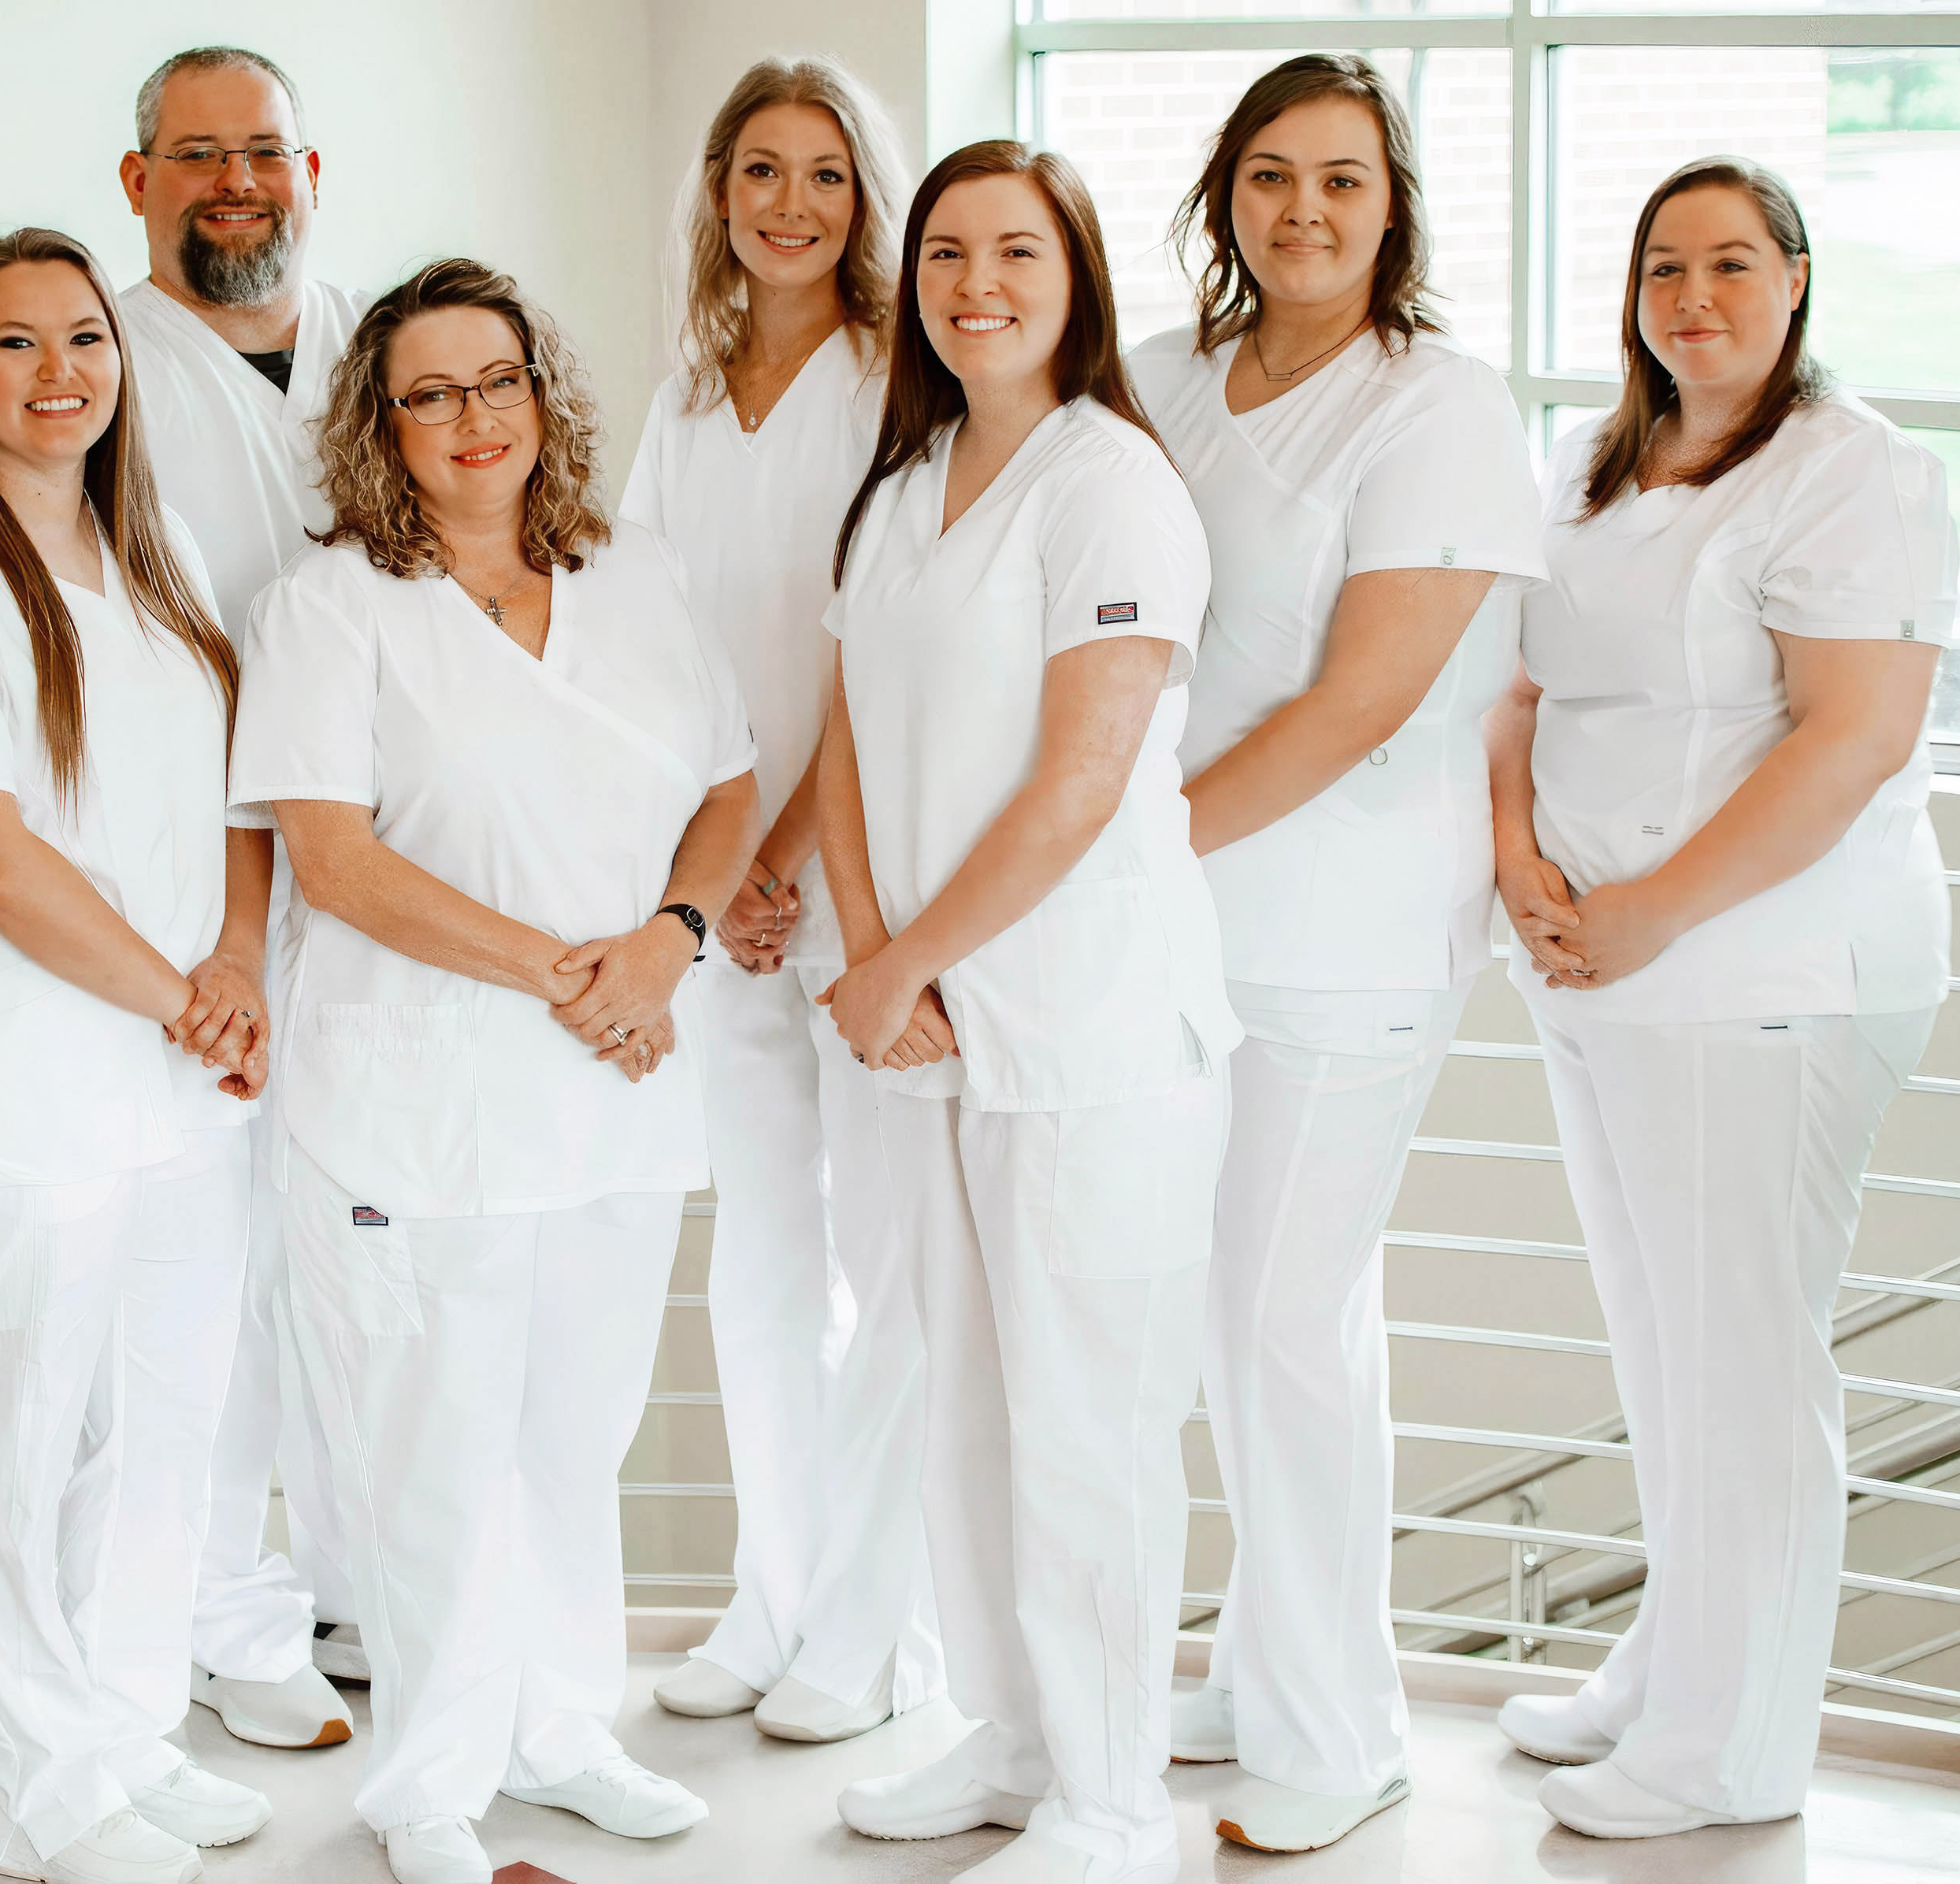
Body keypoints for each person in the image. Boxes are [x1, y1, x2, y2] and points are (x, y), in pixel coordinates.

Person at [229, 258, 759, 1884]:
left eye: (500, 380)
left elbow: (729, 792)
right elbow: (333, 857)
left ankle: (560, 1727)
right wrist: (566, 971)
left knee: (571, 1430)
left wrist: (666, 941)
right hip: (427, 1089)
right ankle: (432, 1778)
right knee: (435, 1436)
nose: (475, 417)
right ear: (382, 423)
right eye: (432, 391)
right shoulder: (333, 600)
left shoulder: (640, 575)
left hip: (617, 1074)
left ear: (547, 395)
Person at [1485, 157, 1954, 1841]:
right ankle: (1674, 1662)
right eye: (1664, 266)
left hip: (1763, 971)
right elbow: (1517, 682)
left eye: (1732, 264)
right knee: (1662, 1344)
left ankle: (1729, 1746)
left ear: (1799, 280)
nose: (1694, 297)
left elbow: (1856, 734)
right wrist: (1520, 861)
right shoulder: (1594, 463)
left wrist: (1652, 910)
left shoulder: (1856, 475)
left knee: (1744, 1362)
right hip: (1597, 966)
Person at [1130, 55, 1546, 1854]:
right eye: (1274, 174)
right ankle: (1271, 1654)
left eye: (1345, 182)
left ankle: (1341, 1725)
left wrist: (1126, 853)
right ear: (1225, 190)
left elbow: (1366, 695)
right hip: (1184, 922)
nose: (1305, 210)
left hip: (1344, 924)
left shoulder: (1438, 408)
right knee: (1239, 1313)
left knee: (1281, 1317)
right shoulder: (1158, 381)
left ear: (1396, 208)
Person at [819, 145, 1241, 1884]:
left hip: (1088, 1034)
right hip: (924, 1029)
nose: (974, 280)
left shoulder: (1110, 484)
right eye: (944, 251)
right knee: (964, 1405)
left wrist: (906, 959)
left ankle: (1118, 1800)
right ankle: (1013, 1734)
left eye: (1015, 250)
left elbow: (1083, 779)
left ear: (1075, 275)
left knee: (1088, 1419)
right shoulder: (908, 476)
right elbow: (843, 726)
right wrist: (870, 949)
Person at [0, 227, 272, 1884]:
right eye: (16, 344)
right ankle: (31, 1783)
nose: (58, 374)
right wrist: (177, 993)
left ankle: (118, 1731)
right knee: (17, 1437)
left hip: (183, 1070)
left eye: (84, 339)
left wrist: (232, 959)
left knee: (164, 1423)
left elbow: (244, 790)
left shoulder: (154, 561)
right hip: (23, 1076)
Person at [622, 54, 940, 1745]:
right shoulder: (681, 395)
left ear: (866, 196)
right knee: (759, 1261)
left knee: (888, 1267)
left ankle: (877, 1630)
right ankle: (777, 1591)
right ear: (721, 193)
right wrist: (710, 868)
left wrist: (792, 858)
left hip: (858, 876)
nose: (792, 203)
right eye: (763, 169)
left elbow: (878, 656)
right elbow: (652, 640)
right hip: (716, 879)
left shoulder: (901, 381)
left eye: (826, 172)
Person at [113, 42, 369, 1744]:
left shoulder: (379, 346)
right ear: (136, 181)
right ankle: (218, 1609)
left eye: (261, 152)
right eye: (194, 156)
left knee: (362, 1250)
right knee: (201, 1270)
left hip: (381, 884)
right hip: (196, 886)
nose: (234, 185)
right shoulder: (98, 362)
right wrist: (222, 926)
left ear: (311, 170)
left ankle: (359, 1577)